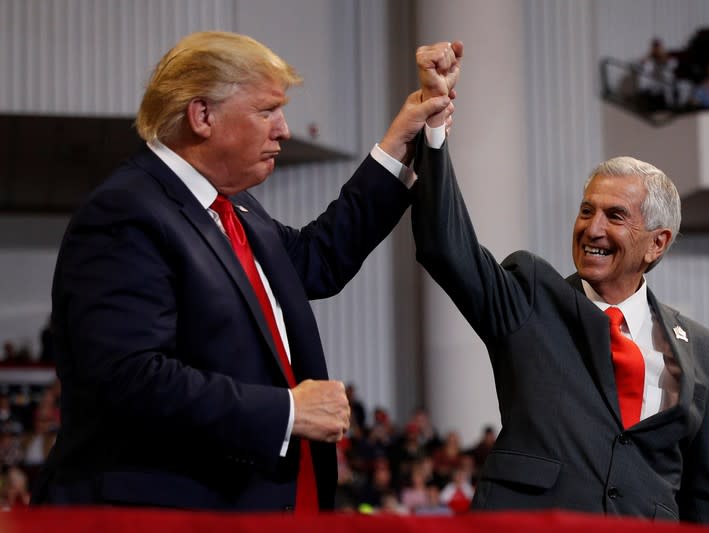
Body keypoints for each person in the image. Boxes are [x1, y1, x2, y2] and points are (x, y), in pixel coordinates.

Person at [31, 31, 455, 512]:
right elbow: (128, 378)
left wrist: (400, 142)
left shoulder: (235, 209)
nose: (284, 129)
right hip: (158, 513)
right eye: (267, 110)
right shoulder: (125, 212)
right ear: (203, 115)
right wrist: (288, 410)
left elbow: (319, 259)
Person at [411, 41, 709, 525]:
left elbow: (706, 496)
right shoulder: (531, 298)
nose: (593, 228)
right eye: (587, 210)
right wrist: (434, 130)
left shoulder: (702, 348)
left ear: (657, 243)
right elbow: (445, 248)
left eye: (615, 216)